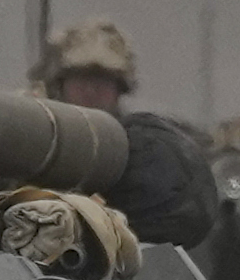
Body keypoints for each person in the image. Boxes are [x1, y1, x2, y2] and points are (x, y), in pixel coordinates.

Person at [30, 16, 213, 248]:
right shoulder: (35, 140)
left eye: (103, 80)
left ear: (120, 88)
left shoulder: (141, 149)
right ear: (60, 83)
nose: (91, 90)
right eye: (81, 78)